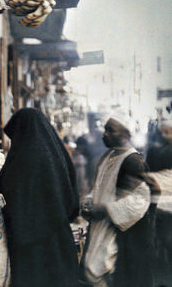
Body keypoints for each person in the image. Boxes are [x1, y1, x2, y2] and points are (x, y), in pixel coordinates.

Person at [0, 108, 80, 287]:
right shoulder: (56, 152)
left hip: (30, 246)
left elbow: (2, 189)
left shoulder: (22, 157)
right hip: (57, 239)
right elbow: (71, 192)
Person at [80, 109, 153, 287]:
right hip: (101, 226)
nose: (104, 134)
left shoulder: (134, 161)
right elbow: (100, 187)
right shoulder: (109, 156)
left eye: (110, 130)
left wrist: (105, 209)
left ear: (125, 134)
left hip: (122, 234)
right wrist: (89, 202)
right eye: (105, 129)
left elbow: (140, 200)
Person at [145, 114, 172, 282]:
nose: (164, 135)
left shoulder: (158, 150)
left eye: (167, 132)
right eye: (163, 132)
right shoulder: (159, 150)